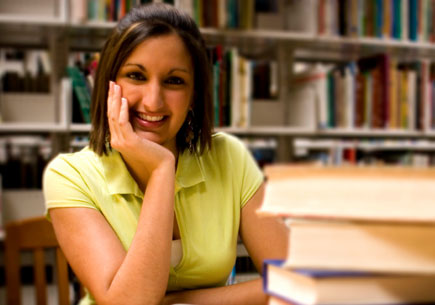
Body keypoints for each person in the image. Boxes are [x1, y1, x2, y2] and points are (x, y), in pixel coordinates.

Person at [43, 3, 288, 305]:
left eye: (174, 81)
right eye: (136, 75)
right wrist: (162, 169)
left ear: (193, 93)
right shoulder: (69, 175)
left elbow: (294, 281)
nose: (153, 101)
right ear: (109, 84)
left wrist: (173, 301)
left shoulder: (229, 157)